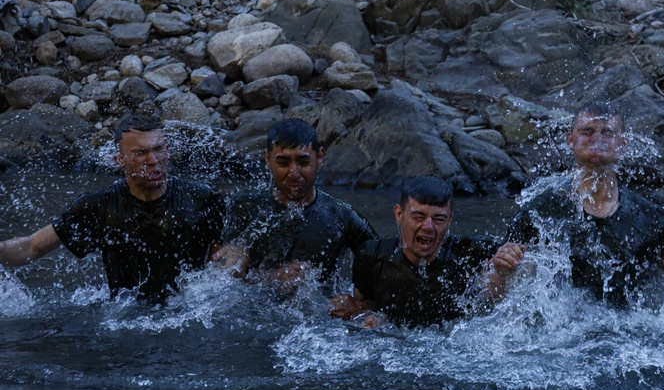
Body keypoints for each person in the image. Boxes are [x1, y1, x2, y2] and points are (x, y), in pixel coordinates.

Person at [504, 101, 664, 308]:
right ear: (571, 140)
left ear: (622, 144)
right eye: (587, 131)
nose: (597, 139)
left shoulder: (648, 216)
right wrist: (500, 271)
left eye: (607, 133)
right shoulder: (541, 211)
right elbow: (499, 293)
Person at [0, 113, 224, 303]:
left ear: (168, 150)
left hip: (191, 315)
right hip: (125, 320)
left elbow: (226, 265)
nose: (154, 160)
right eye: (140, 153)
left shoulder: (202, 198)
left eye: (158, 149)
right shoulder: (98, 206)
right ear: (120, 159)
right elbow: (32, 247)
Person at [329, 175, 523, 327]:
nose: (428, 227)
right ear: (399, 214)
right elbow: (364, 305)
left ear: (450, 221)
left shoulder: (470, 253)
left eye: (438, 219)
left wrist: (503, 271)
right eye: (418, 216)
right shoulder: (372, 255)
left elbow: (493, 297)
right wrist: (363, 315)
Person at [213, 118, 377, 295]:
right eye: (283, 163)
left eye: (303, 162)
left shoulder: (342, 218)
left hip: (317, 319)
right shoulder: (243, 206)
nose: (293, 173)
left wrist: (359, 303)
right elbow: (207, 272)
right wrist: (268, 275)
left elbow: (384, 265)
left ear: (320, 157)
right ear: (267, 159)